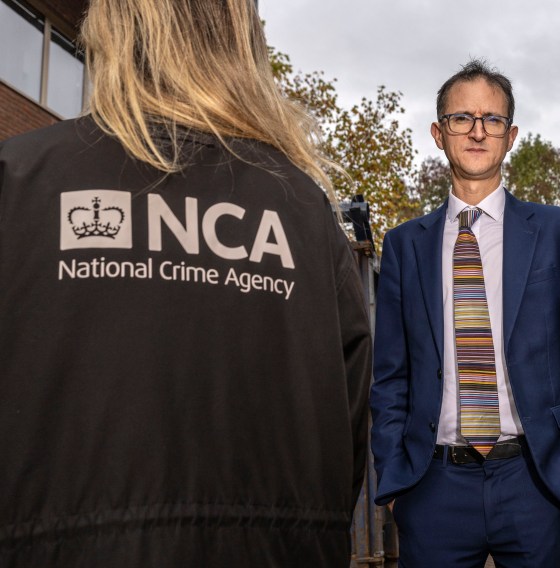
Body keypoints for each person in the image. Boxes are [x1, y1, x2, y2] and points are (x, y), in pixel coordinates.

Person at [0, 0, 371, 565]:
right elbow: (346, 440)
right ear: (241, 46)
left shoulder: (20, 182)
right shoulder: (302, 212)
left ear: (114, 31)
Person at [370, 59, 560, 567]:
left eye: (493, 120)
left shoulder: (559, 232)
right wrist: (395, 477)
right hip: (432, 488)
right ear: (439, 133)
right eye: (463, 118)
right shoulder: (403, 246)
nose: (478, 131)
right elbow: (390, 376)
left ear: (512, 136)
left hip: (535, 483)